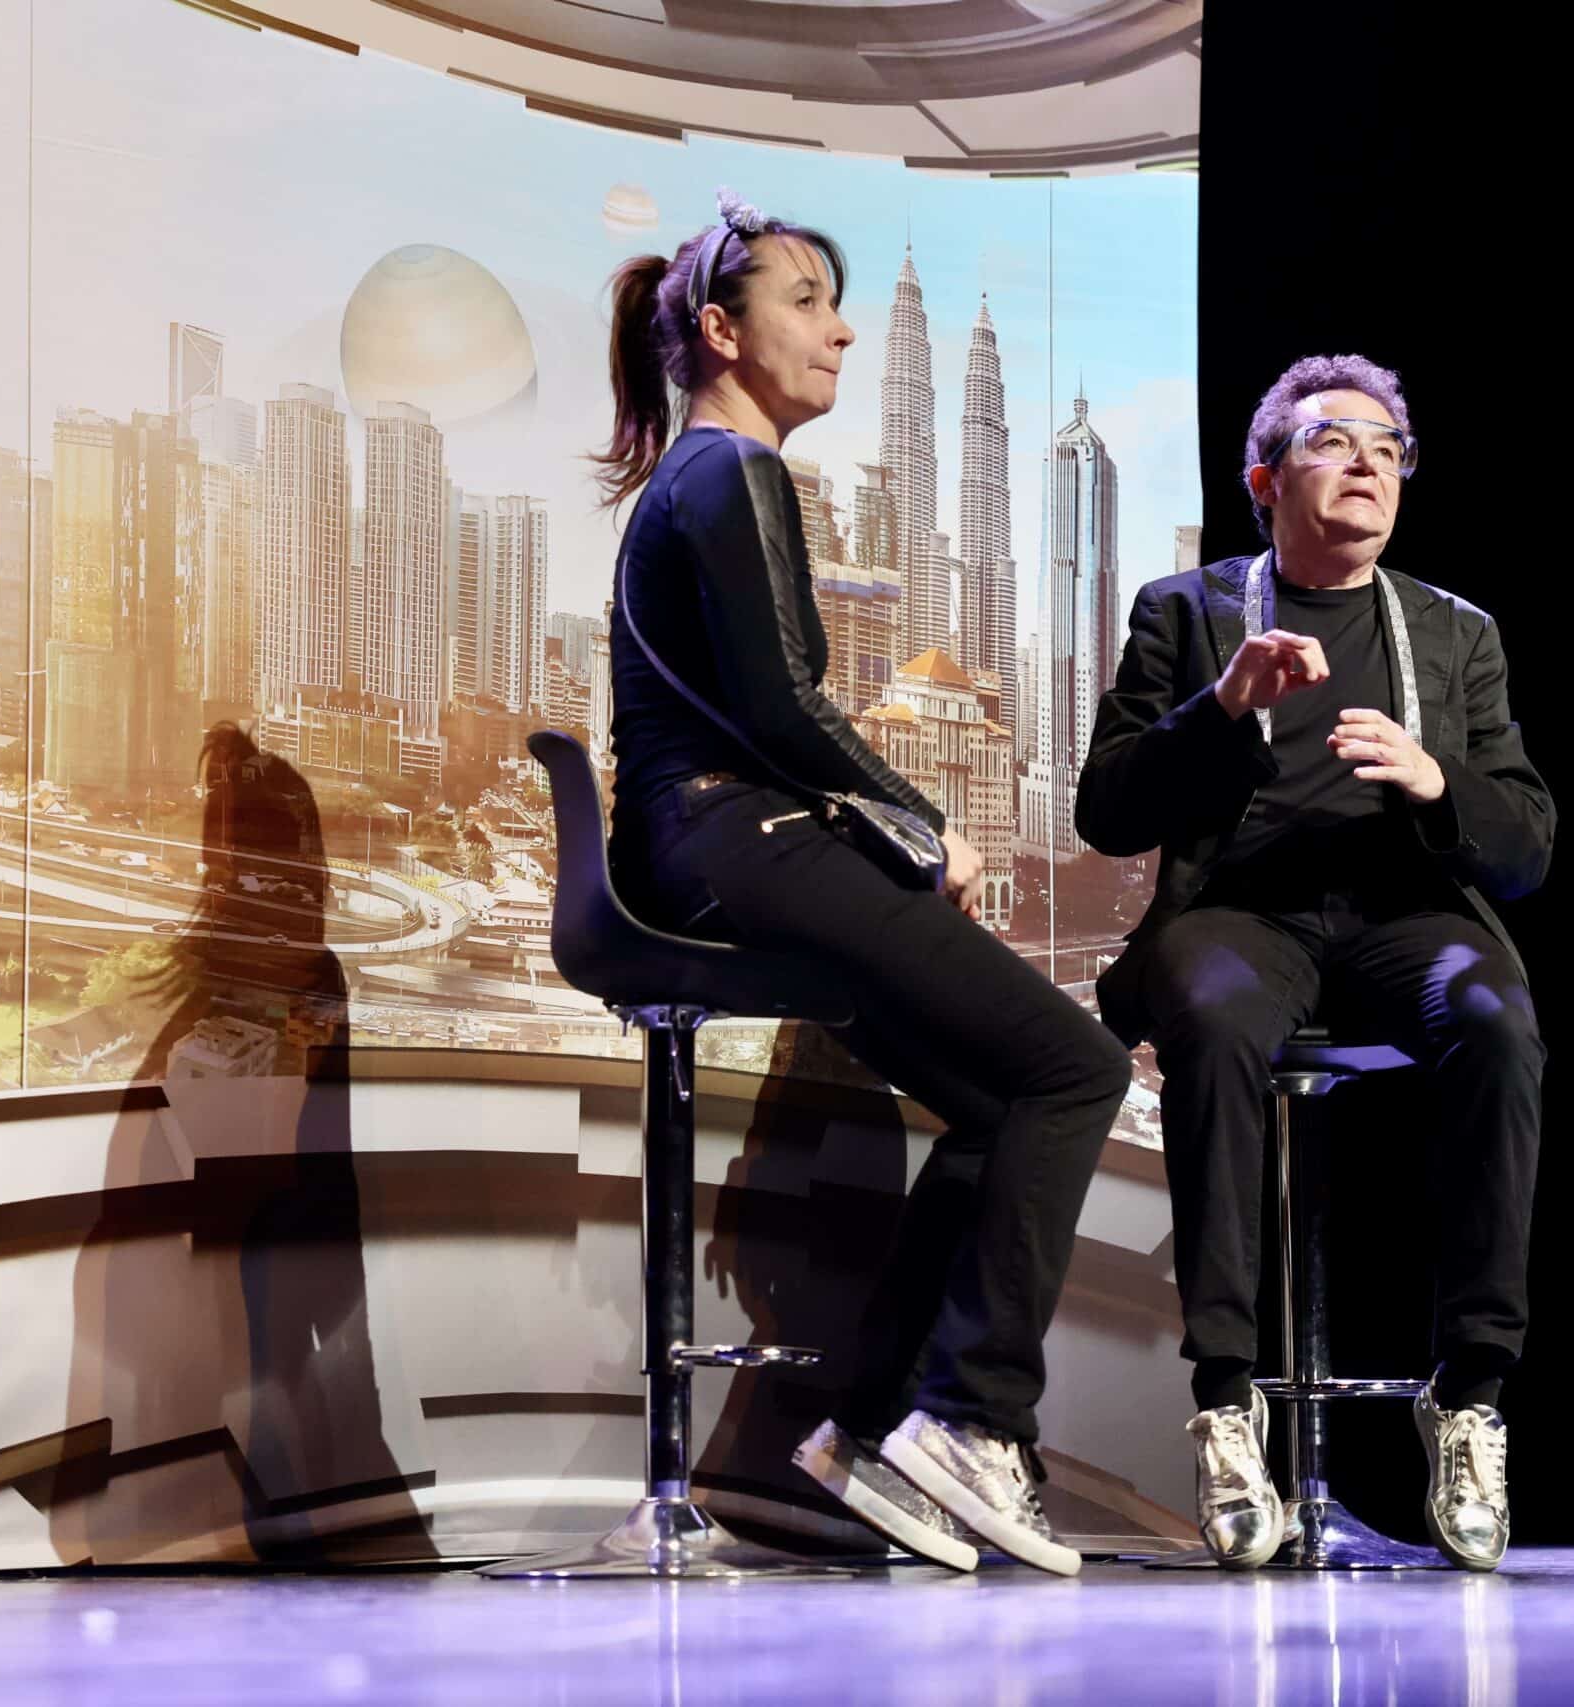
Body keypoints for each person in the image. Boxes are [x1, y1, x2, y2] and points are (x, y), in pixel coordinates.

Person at [598, 190, 1132, 1575]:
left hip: (703, 839)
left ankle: (877, 1424)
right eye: (806, 303)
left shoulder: (707, 475)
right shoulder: (731, 471)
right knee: (1077, 1066)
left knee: (1004, 1100)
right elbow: (780, 703)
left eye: (840, 307)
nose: (838, 332)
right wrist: (925, 827)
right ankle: (974, 1422)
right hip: (734, 837)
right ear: (722, 331)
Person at [1078, 355, 1554, 1571]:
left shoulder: (1456, 632)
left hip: (1403, 918)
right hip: (1240, 914)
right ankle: (1227, 1398)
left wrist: (1438, 781)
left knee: (1495, 1016)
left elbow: (1524, 845)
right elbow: (1107, 811)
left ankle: (1470, 1394)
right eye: (1334, 442)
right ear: (1264, 480)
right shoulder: (1183, 614)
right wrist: (1219, 707)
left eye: (1389, 450)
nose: (1367, 465)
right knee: (1213, 1011)